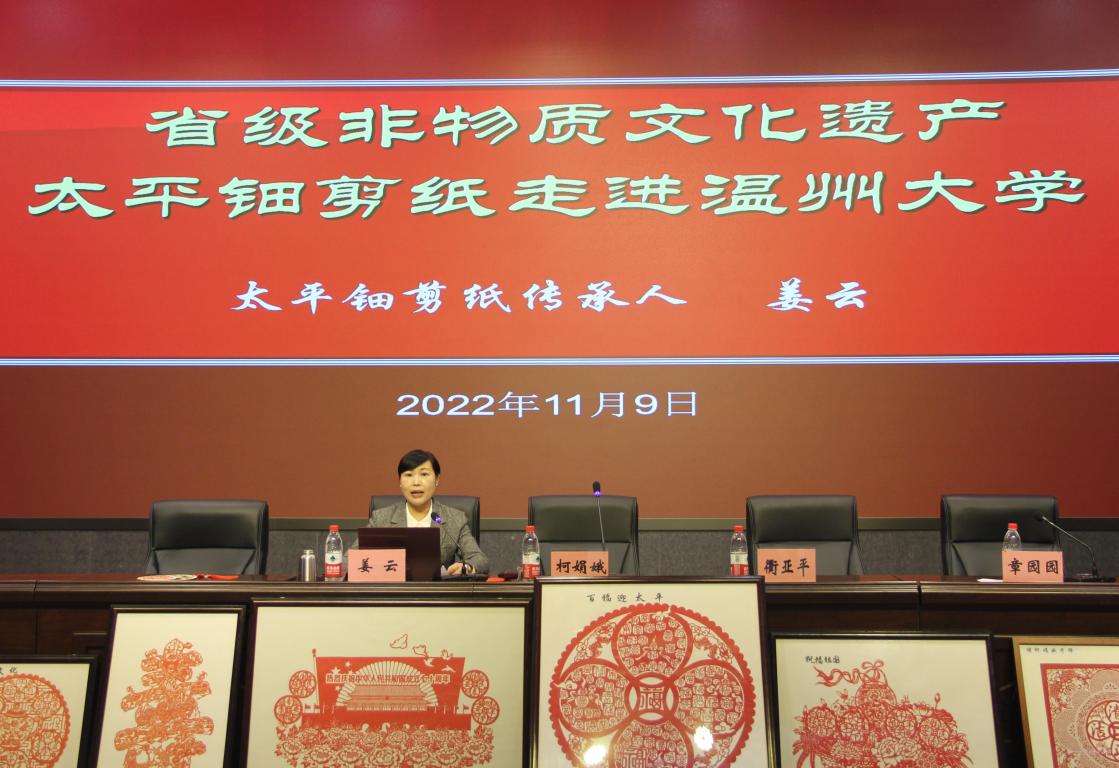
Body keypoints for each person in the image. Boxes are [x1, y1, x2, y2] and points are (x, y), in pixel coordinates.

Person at [365, 449, 489, 575]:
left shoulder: (455, 519)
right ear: (400, 482)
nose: (416, 482)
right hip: (393, 587)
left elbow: (480, 560)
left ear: (437, 479)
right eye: (409, 475)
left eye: (424, 474)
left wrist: (467, 567)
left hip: (437, 587)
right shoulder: (381, 519)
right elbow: (353, 558)